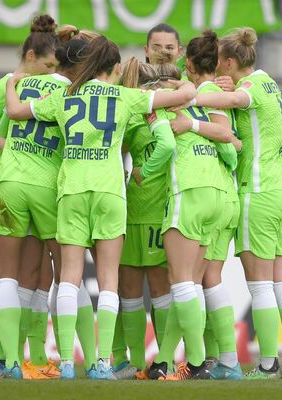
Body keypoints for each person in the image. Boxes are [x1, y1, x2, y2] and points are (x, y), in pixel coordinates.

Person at [5, 36, 198, 380]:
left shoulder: (64, 96)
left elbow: (16, 111)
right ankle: (102, 365)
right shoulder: (126, 97)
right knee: (108, 280)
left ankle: (66, 363)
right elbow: (187, 95)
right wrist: (178, 80)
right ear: (113, 69)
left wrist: (10, 82)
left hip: (72, 191)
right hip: (110, 193)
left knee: (69, 277)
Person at [193, 27, 282, 381]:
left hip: (260, 192)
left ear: (228, 62)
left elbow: (229, 103)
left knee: (260, 285)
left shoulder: (251, 89)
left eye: (220, 65)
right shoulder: (268, 82)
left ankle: (269, 363)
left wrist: (189, 94)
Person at [0, 14, 67, 380]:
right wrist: (4, 143)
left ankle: (29, 356)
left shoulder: (53, 87)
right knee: (3, 273)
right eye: (48, 64)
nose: (52, 71)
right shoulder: (4, 86)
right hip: (11, 181)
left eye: (56, 66)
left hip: (38, 185)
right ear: (29, 56)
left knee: (38, 275)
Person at [170, 30, 244, 380]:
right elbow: (230, 145)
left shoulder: (193, 92)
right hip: (224, 193)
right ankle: (225, 360)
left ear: (188, 64)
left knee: (185, 280)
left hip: (194, 189)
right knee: (208, 279)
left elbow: (224, 136)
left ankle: (197, 362)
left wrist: (188, 124)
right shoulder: (218, 92)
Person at [111, 55, 179, 380]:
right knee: (134, 288)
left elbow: (166, 147)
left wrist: (142, 172)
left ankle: (159, 362)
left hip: (149, 207)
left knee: (149, 285)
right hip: (134, 208)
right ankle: (140, 364)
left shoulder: (152, 111)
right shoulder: (133, 112)